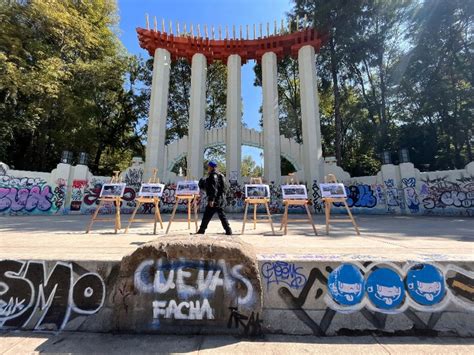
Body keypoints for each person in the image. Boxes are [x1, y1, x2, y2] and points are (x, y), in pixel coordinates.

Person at [196, 161, 232, 235]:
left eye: (208, 167)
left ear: (210, 167)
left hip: (215, 199)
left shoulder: (213, 175)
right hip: (220, 198)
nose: (208, 168)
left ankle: (201, 230)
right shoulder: (220, 175)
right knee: (221, 215)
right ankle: (228, 230)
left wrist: (211, 199)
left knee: (207, 215)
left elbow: (214, 188)